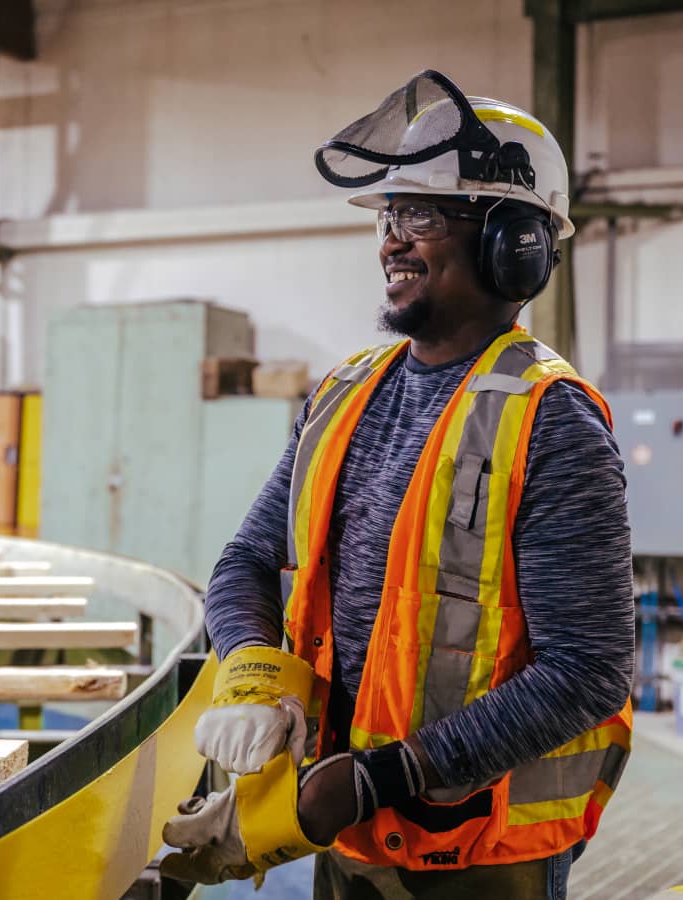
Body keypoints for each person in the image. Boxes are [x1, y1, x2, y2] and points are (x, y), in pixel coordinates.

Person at [162, 70, 635, 900]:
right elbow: (245, 559)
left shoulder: (551, 421)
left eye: (418, 216)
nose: (390, 241)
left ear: (513, 242)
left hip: (486, 859)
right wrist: (254, 676)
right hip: (346, 836)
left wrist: (381, 776)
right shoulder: (345, 392)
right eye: (388, 217)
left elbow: (588, 670)